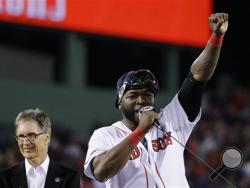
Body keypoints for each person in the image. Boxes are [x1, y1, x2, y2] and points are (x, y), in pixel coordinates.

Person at [84, 13, 229, 187]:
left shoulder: (171, 119)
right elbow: (100, 172)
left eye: (147, 94)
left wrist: (217, 36)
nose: (141, 100)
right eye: (132, 95)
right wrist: (140, 131)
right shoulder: (106, 135)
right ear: (119, 103)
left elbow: (197, 77)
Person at [0, 108, 80, 188]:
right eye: (21, 136)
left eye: (31, 135)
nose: (25, 142)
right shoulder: (4, 178)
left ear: (47, 138)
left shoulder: (69, 177)